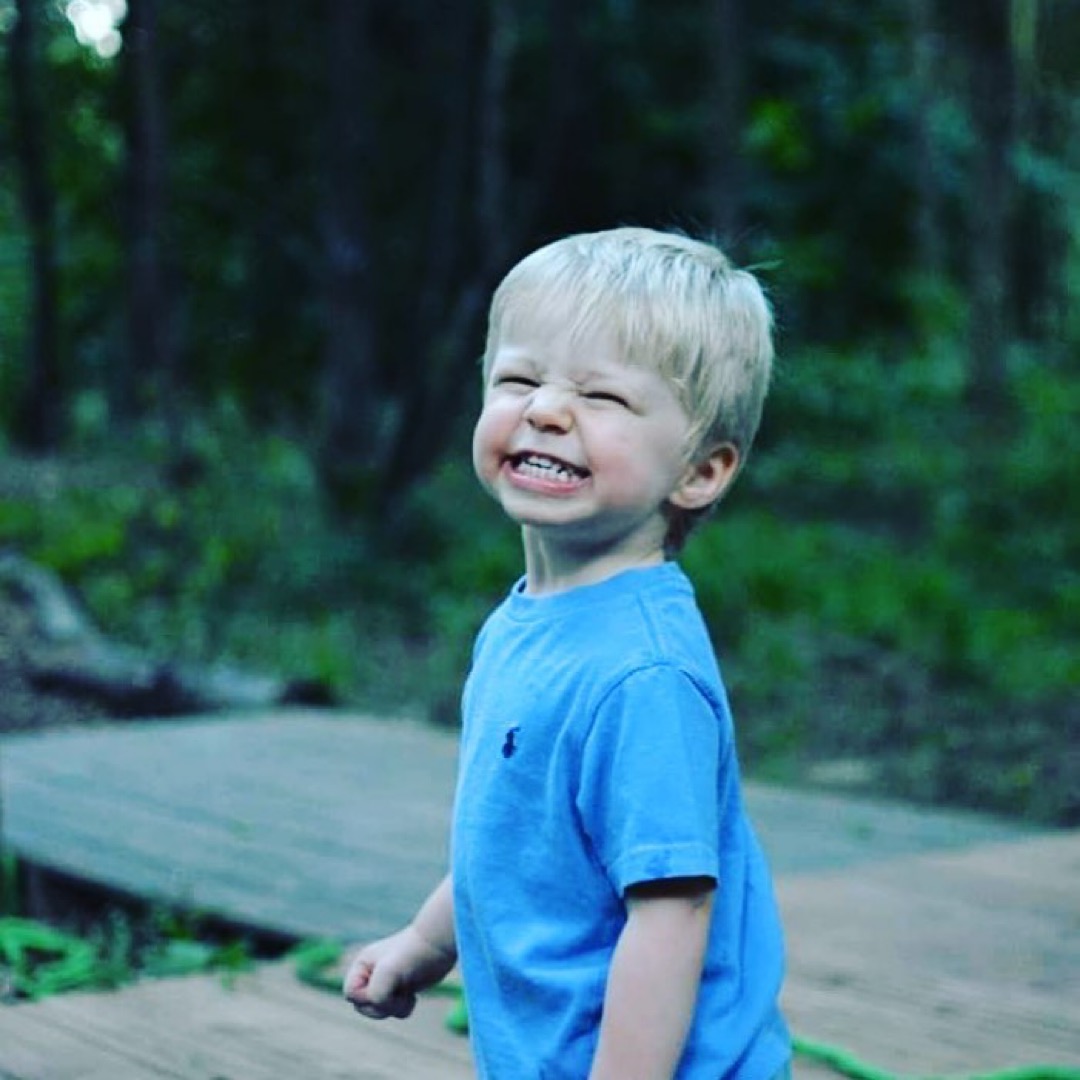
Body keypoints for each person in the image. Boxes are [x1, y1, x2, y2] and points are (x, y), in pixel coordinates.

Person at [343, 226, 791, 1080]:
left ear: (700, 470)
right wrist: (426, 940)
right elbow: (517, 839)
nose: (546, 409)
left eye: (603, 398)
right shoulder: (528, 622)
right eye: (519, 379)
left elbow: (672, 914)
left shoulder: (642, 675)